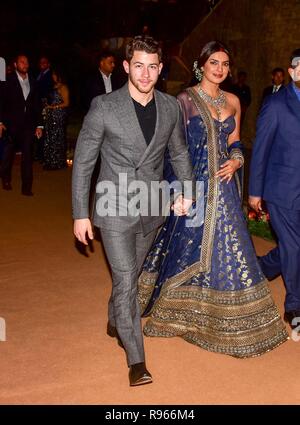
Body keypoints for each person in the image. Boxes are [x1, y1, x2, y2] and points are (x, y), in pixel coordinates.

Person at [138, 41, 288, 357]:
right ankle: (186, 310)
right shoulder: (184, 100)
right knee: (188, 245)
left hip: (226, 187)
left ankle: (234, 317)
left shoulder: (233, 100)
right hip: (195, 185)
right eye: (214, 63)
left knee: (234, 246)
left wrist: (236, 160)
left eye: (225, 64)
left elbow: (235, 141)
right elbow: (173, 149)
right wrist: (180, 190)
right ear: (201, 65)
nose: (220, 69)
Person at [72, 35, 195, 386]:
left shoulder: (171, 107)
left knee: (132, 275)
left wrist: (187, 190)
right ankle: (137, 360)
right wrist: (80, 213)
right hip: (114, 204)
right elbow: (83, 163)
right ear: (126, 66)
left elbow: (179, 153)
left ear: (160, 68)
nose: (145, 74)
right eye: (138, 65)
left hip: (153, 204)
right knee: (126, 278)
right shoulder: (104, 107)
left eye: (152, 66)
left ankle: (115, 317)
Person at [249, 49, 300, 329]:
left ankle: (262, 267)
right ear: (291, 72)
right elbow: (261, 148)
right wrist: (255, 191)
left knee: (294, 246)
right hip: (282, 190)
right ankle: (294, 305)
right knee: (293, 246)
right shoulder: (276, 103)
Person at [0, 54, 43, 196]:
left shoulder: (33, 80)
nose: (25, 64)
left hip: (28, 125)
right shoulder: (7, 80)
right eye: (22, 62)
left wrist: (39, 125)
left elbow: (37, 104)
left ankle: (26, 187)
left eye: (27, 62)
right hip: (11, 124)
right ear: (15, 64)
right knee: (8, 154)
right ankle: (5, 178)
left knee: (28, 156)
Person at [43, 68, 69, 170]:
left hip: (58, 115)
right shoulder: (53, 86)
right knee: (50, 137)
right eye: (52, 74)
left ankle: (58, 162)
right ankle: (50, 161)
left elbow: (66, 103)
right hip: (51, 114)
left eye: (54, 74)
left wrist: (53, 107)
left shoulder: (63, 87)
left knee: (57, 137)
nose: (53, 76)